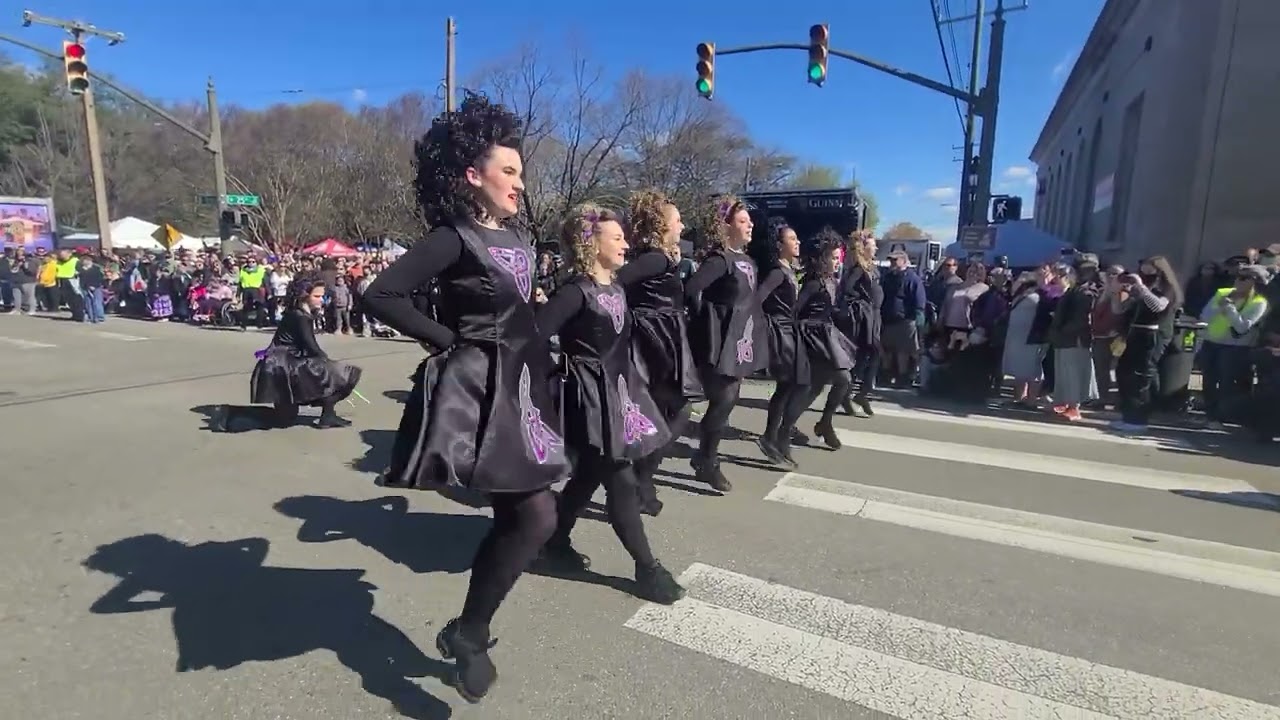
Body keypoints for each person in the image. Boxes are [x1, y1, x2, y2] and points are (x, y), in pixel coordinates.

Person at [360, 91, 570, 703]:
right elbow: (381, 295)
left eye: (522, 173)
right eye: (509, 172)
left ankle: (467, 631)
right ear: (472, 176)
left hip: (526, 388)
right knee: (535, 515)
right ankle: (470, 633)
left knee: (521, 518)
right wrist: (452, 341)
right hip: (483, 392)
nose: (520, 184)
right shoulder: (451, 238)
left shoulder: (516, 237)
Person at [534, 204, 684, 603]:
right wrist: (564, 374)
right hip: (589, 401)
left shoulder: (615, 286)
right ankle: (647, 569)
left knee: (587, 477)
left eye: (623, 237)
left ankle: (555, 540)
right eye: (616, 238)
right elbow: (533, 338)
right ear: (591, 243)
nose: (625, 244)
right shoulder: (574, 291)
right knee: (620, 479)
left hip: (621, 395)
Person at [619, 190, 702, 516]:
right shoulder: (654, 258)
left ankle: (642, 477)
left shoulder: (667, 258)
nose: (682, 226)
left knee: (672, 411)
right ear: (661, 225)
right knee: (673, 410)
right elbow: (618, 282)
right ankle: (640, 478)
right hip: (652, 341)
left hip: (665, 338)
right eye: (677, 220)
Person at [683, 195, 765, 491]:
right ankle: (706, 460)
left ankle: (704, 457)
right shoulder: (720, 259)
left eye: (749, 220)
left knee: (726, 400)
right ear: (726, 226)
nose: (750, 225)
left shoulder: (747, 260)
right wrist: (709, 319)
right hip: (718, 341)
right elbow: (691, 290)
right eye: (743, 221)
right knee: (724, 399)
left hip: (740, 339)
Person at [218, 272, 362, 430]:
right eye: (317, 296)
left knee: (288, 414)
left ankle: (327, 415)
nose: (322, 299)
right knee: (342, 374)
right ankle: (233, 413)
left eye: (322, 296)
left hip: (283, 362)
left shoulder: (297, 312)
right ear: (304, 295)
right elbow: (311, 346)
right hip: (283, 365)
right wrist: (327, 361)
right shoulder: (301, 317)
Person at [784, 230, 858, 451]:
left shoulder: (830, 280)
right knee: (830, 381)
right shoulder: (813, 282)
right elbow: (795, 310)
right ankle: (789, 428)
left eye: (839, 258)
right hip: (812, 338)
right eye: (834, 258)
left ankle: (818, 423)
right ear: (823, 258)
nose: (838, 262)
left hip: (826, 335)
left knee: (819, 386)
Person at [751, 224, 805, 468]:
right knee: (791, 383)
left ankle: (775, 436)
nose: (797, 243)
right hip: (779, 333)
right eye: (792, 239)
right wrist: (765, 327)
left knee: (790, 385)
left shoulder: (789, 270)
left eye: (796, 238)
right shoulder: (777, 272)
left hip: (789, 331)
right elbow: (757, 300)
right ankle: (774, 436)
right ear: (779, 245)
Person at [1111, 256, 1183, 432]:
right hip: (1134, 333)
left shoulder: (1168, 288)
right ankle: (1128, 415)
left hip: (1152, 334)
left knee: (1141, 376)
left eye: (1149, 267)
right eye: (1142, 266)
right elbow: (1119, 309)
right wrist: (1116, 291)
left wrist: (1141, 288)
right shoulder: (1141, 287)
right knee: (1123, 373)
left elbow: (1158, 306)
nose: (1144, 270)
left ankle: (1138, 419)